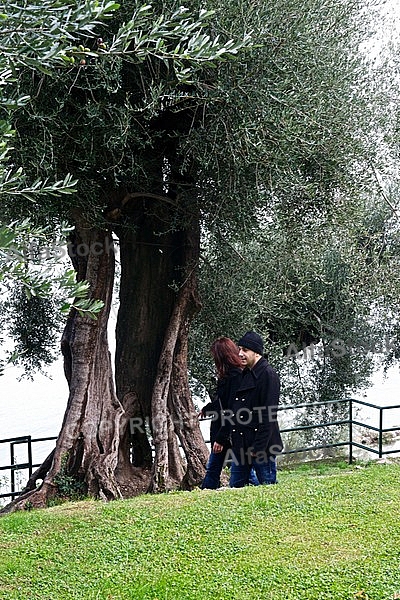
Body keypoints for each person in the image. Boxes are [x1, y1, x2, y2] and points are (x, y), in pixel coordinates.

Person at [199, 336, 258, 489]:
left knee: (232, 468)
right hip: (226, 430)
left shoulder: (236, 376)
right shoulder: (228, 377)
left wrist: (221, 437)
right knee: (219, 467)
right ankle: (206, 492)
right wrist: (208, 408)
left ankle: (206, 492)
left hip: (230, 431)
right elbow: (222, 402)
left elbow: (233, 408)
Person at [228, 331, 283, 487]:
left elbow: (268, 416)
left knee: (268, 490)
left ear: (256, 352)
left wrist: (257, 448)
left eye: (245, 350)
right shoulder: (244, 374)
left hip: (261, 448)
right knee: (235, 489)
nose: (240, 354)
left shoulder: (268, 375)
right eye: (239, 349)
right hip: (241, 446)